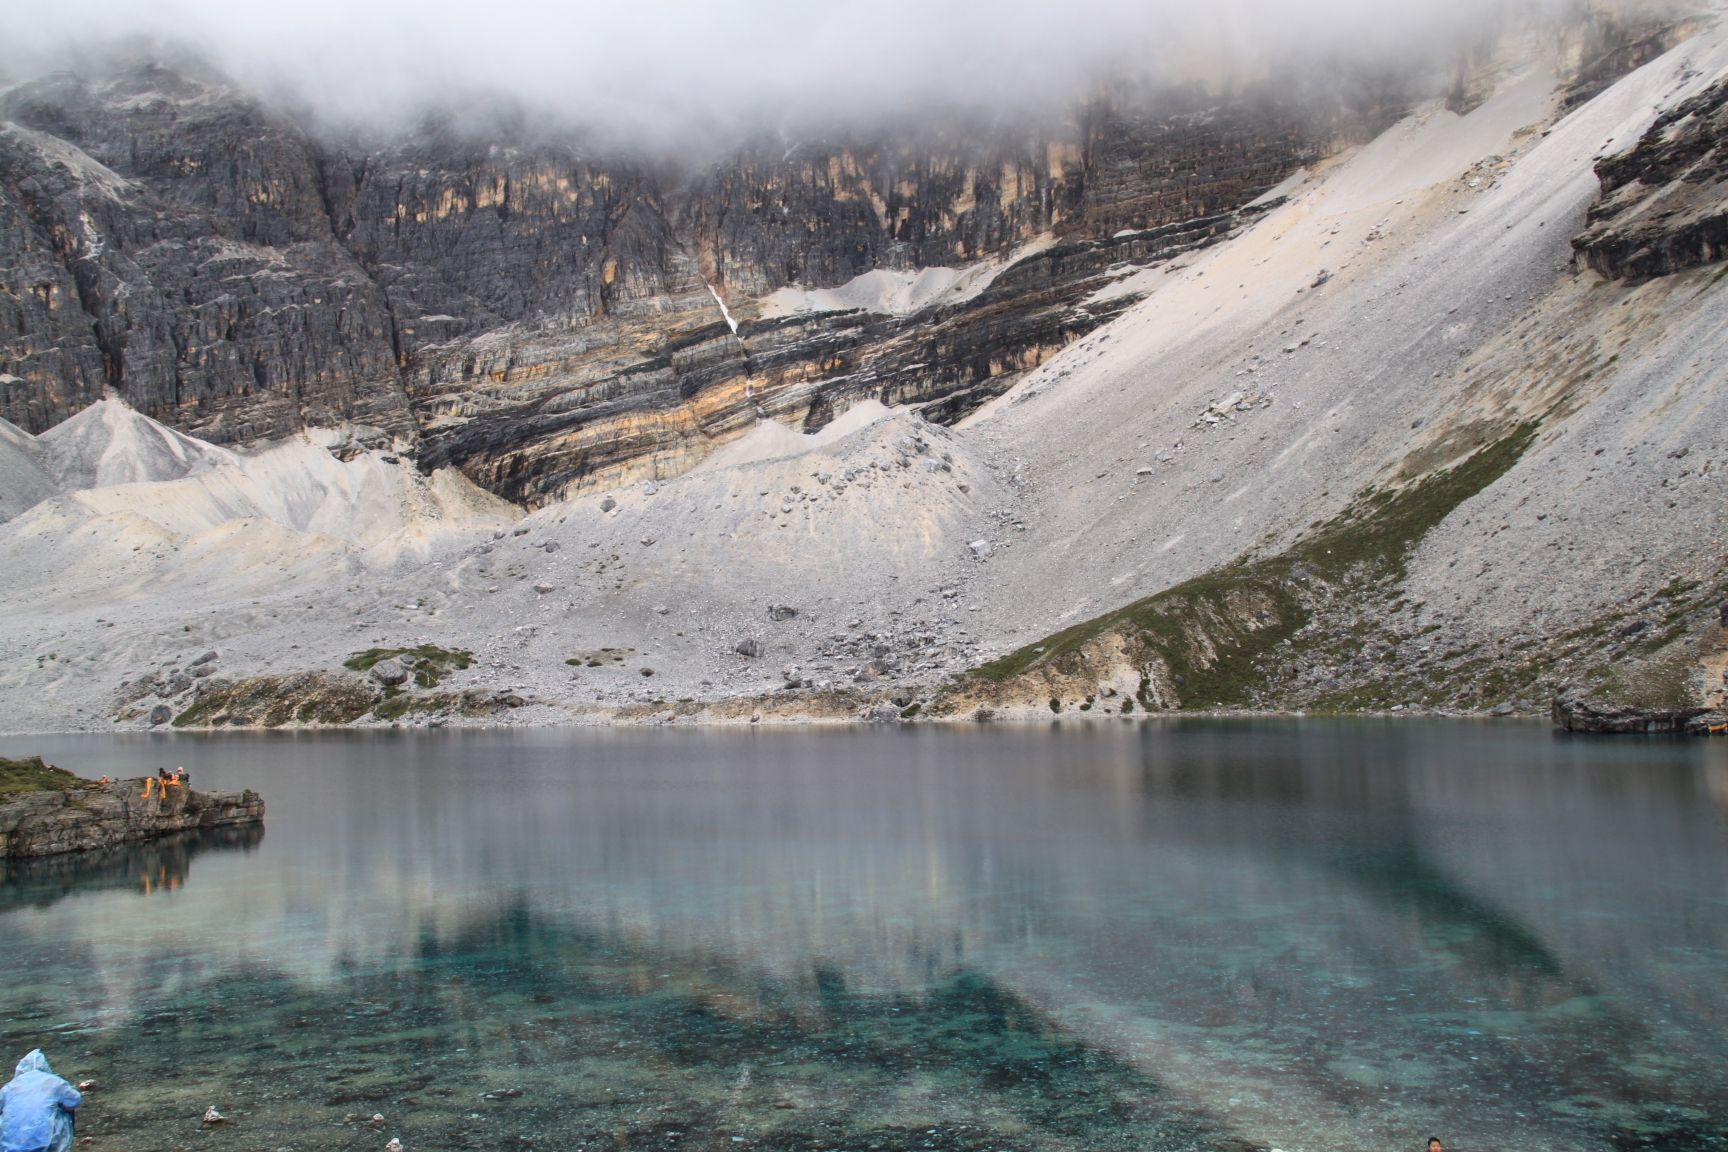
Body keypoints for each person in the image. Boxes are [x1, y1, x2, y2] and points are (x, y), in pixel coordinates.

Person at [0, 1050, 81, 1152]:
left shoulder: (10, 1086)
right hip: (43, 1142)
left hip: (8, 1146)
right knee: (65, 1110)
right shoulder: (53, 1081)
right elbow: (75, 1100)